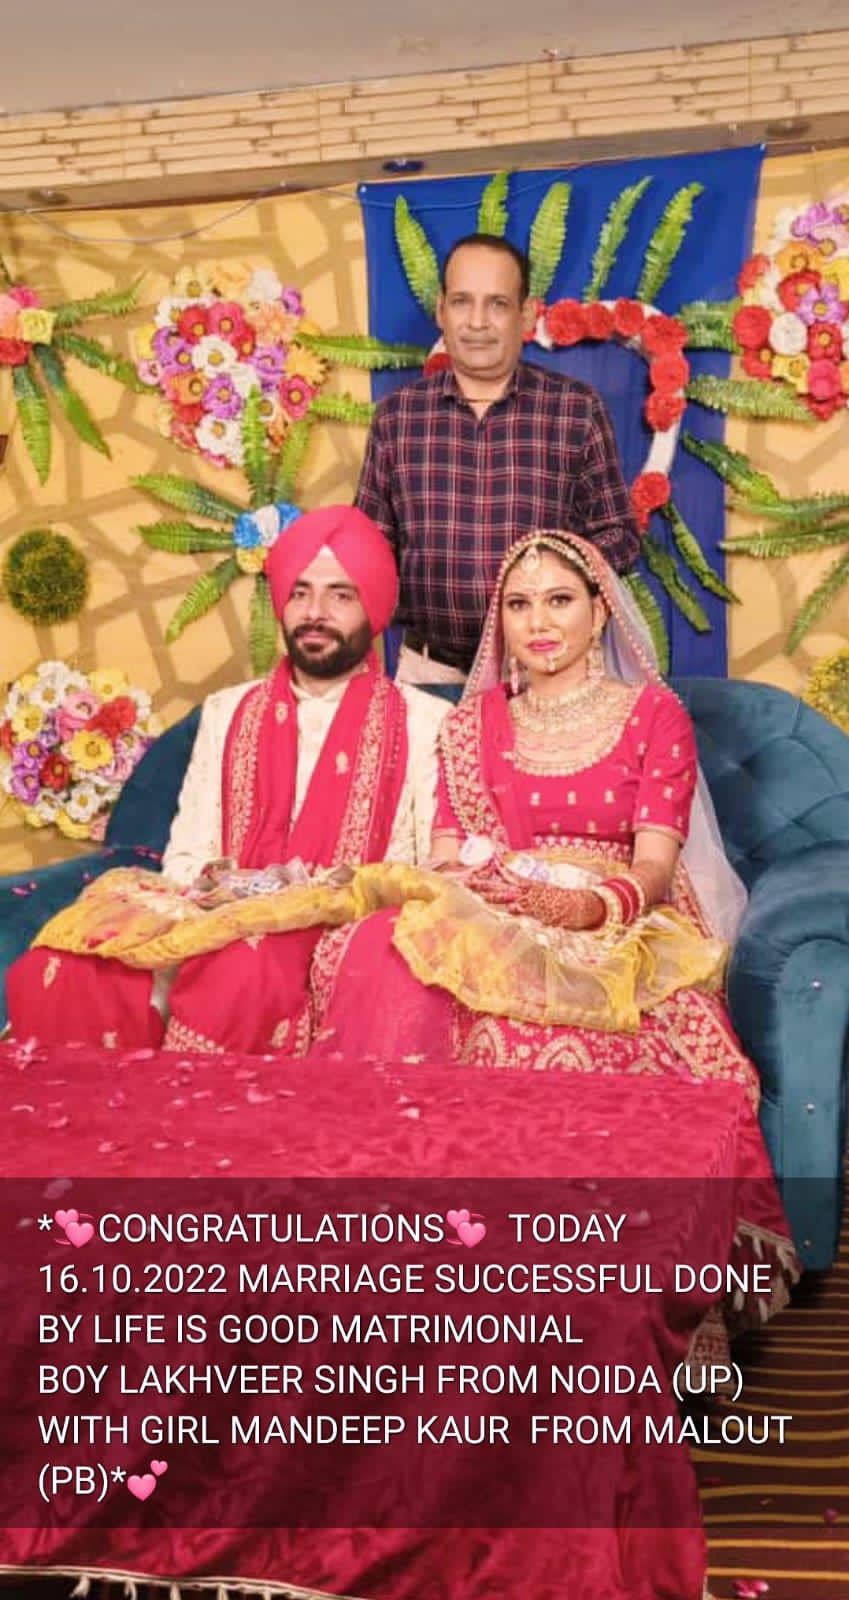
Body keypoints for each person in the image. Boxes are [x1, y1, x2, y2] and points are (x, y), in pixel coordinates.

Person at [5, 505, 446, 1056]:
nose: (315, 613)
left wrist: (308, 899)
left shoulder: (425, 721)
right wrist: (224, 888)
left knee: (247, 967)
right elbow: (186, 856)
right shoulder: (227, 711)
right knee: (66, 965)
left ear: (372, 609)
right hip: (214, 913)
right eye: (301, 592)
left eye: (340, 595)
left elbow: (425, 874)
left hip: (338, 922)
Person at [355, 233, 641, 697]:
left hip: (546, 672)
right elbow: (367, 550)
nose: (477, 322)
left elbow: (620, 537)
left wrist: (550, 571)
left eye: (497, 304)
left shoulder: (575, 409)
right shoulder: (397, 417)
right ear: (441, 310)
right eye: (462, 302)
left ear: (526, 315)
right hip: (429, 676)